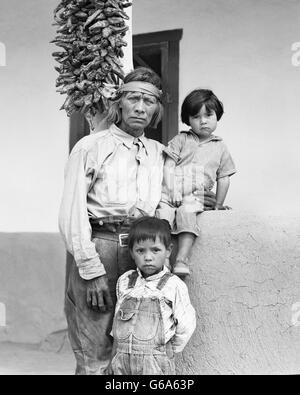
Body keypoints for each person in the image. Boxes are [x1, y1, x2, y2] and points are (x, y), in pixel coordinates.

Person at [59, 68, 217, 375]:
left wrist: (204, 196)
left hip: (142, 255)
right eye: (133, 98)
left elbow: (173, 195)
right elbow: (72, 211)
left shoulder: (159, 153)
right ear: (119, 103)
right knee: (95, 355)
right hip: (100, 249)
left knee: (136, 351)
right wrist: (91, 271)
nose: (141, 107)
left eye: (148, 101)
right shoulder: (91, 147)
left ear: (157, 109)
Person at [157, 89, 236, 277]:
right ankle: (164, 259)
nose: (203, 121)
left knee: (187, 213)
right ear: (187, 119)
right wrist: (172, 189)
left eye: (208, 115)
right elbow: (168, 165)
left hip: (196, 194)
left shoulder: (220, 147)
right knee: (163, 216)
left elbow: (223, 177)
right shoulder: (181, 139)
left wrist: (218, 204)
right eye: (196, 116)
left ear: (217, 116)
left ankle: (182, 259)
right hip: (171, 192)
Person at [109, 217, 196, 375]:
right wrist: (114, 356)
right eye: (140, 250)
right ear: (131, 252)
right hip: (122, 361)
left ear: (168, 251)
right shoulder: (125, 281)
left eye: (155, 250)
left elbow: (186, 325)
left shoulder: (173, 285)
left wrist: (168, 351)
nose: (148, 257)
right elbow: (117, 322)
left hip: (155, 362)